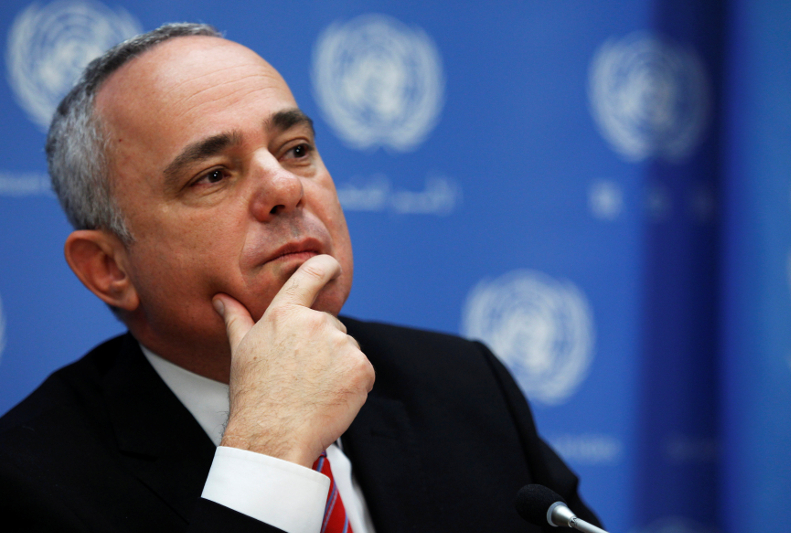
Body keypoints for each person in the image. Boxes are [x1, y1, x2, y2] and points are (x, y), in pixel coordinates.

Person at [0, 23, 599, 533]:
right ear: (109, 268)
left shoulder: (463, 385)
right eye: (212, 175)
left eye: (296, 150)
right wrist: (268, 454)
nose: (286, 188)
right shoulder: (27, 481)